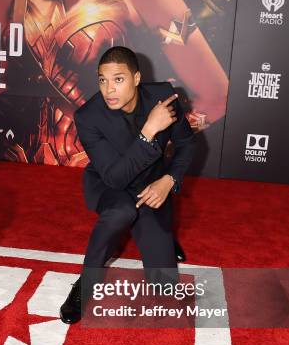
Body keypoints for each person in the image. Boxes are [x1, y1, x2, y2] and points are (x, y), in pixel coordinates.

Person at [60, 46, 195, 324]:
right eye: (102, 80)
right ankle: (86, 282)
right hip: (110, 185)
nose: (109, 89)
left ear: (136, 78)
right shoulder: (89, 117)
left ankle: (164, 238)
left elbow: (186, 144)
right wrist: (148, 132)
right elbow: (115, 178)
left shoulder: (163, 97)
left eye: (118, 79)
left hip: (151, 186)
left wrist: (168, 181)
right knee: (122, 212)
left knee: (165, 288)